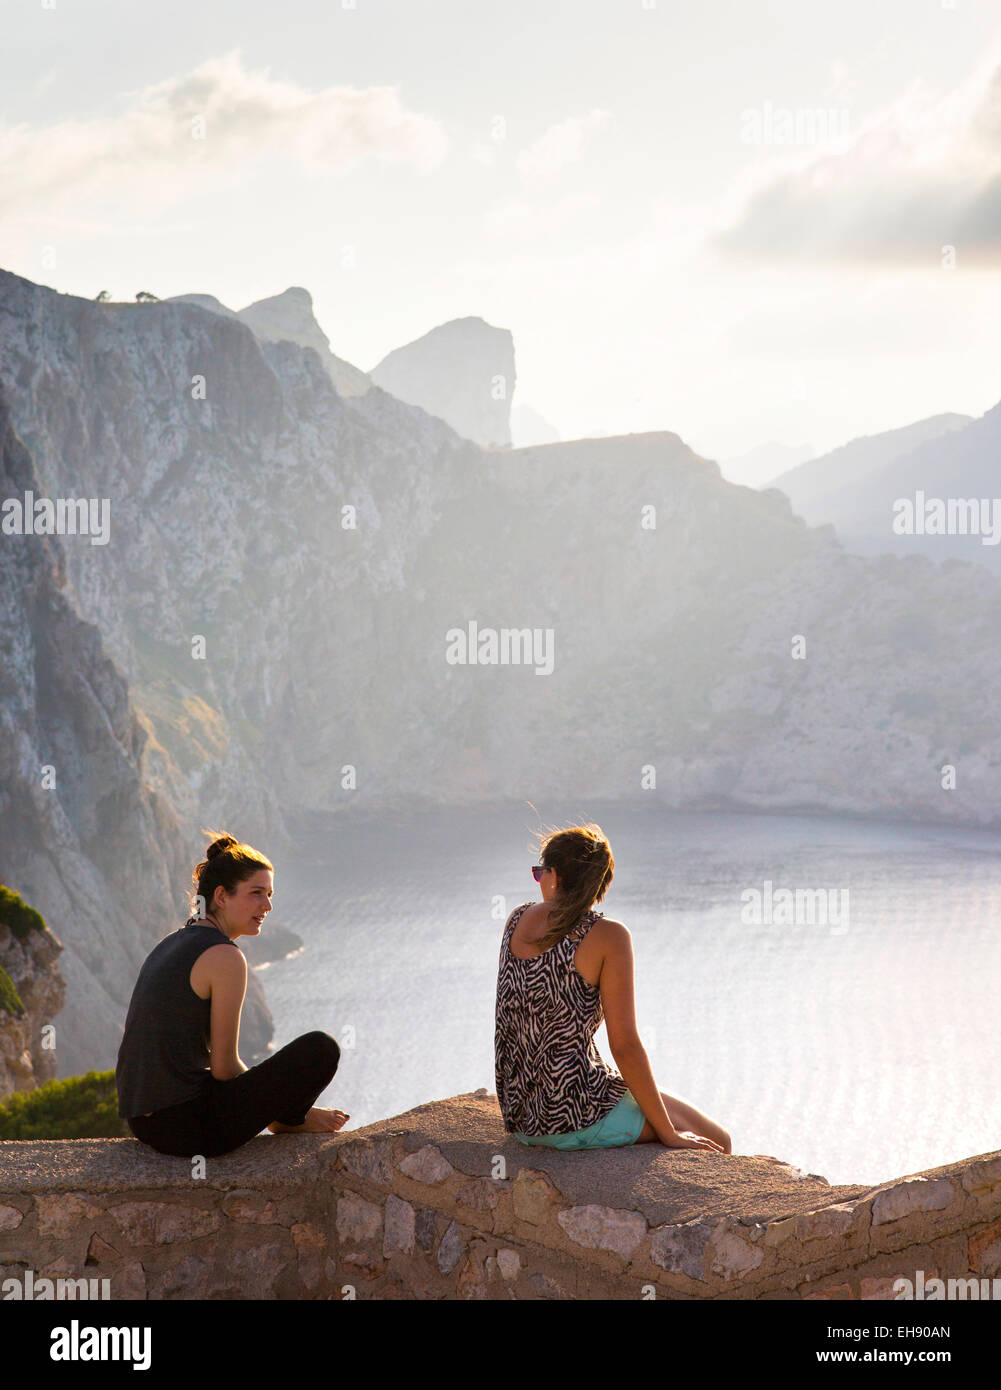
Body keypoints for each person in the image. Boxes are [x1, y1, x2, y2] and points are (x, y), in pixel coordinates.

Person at [494, 822, 731, 1154]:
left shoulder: (516, 919)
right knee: (720, 1141)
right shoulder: (608, 936)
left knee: (660, 1109)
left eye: (539, 873)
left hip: (521, 1117)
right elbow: (625, 1046)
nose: (538, 882)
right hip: (571, 1116)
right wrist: (669, 1135)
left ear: (556, 877)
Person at [116, 832, 347, 1158]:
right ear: (222, 897)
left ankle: (290, 1116)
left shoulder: (172, 942)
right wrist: (277, 1105)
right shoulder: (225, 956)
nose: (267, 905)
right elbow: (224, 1068)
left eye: (269, 894)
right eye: (256, 894)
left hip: (144, 1121)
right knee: (321, 1049)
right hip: (187, 1128)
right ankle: (290, 1120)